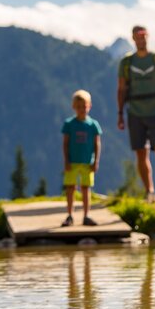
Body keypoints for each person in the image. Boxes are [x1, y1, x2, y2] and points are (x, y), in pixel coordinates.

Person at [117, 25, 155, 207]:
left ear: (147, 37)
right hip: (135, 112)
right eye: (137, 36)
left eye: (143, 35)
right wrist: (120, 113)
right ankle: (149, 192)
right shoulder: (126, 62)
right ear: (133, 38)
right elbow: (121, 89)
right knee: (141, 153)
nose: (140, 39)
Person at [61, 90, 102, 227]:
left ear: (89, 106)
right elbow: (65, 144)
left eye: (84, 106)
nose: (81, 109)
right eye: (78, 107)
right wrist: (66, 160)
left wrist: (96, 161)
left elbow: (97, 144)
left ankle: (86, 215)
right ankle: (70, 215)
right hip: (72, 162)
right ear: (74, 107)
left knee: (86, 189)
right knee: (70, 188)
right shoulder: (69, 124)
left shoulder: (93, 125)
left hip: (87, 162)